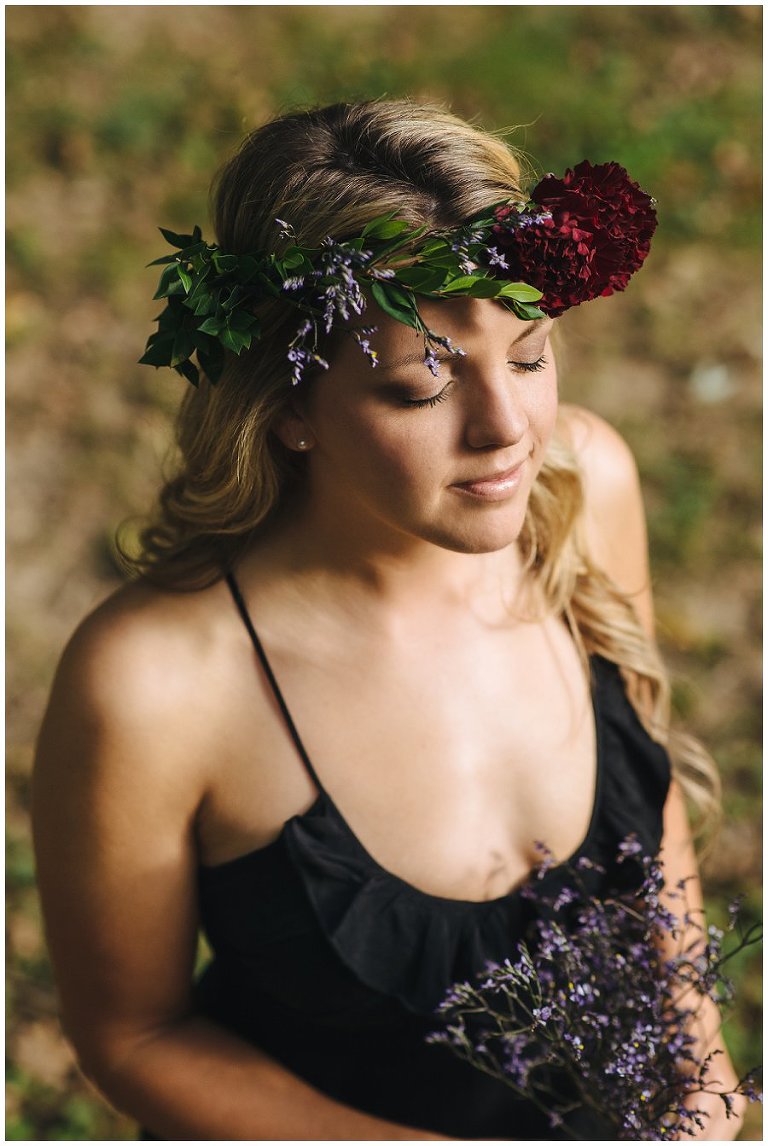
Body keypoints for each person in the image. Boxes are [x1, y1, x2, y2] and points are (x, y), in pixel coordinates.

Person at [32, 99, 744, 1140]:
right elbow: (134, 1035)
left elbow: (651, 824)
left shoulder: (585, 493)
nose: (507, 431)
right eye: (421, 387)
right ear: (286, 409)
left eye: (533, 354)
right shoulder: (154, 683)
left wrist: (701, 1077)